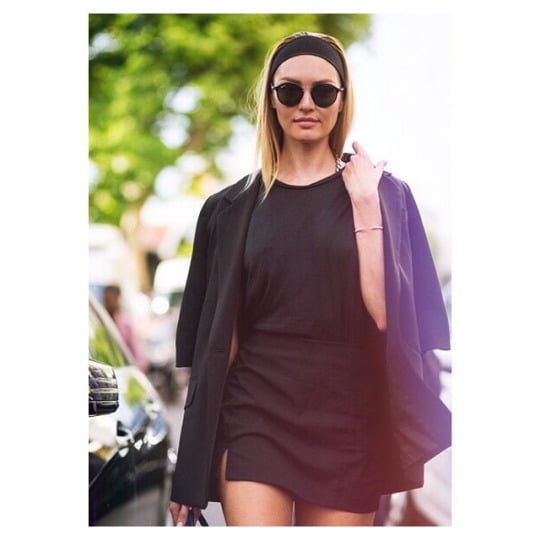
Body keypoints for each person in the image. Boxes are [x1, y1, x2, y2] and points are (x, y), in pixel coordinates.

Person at [169, 31, 451, 527]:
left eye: (323, 92)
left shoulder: (385, 196)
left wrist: (365, 206)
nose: (306, 104)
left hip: (349, 421)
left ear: (341, 101)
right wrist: (190, 467)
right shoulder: (227, 210)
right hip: (255, 416)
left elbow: (388, 319)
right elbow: (218, 346)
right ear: (270, 99)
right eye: (289, 90)